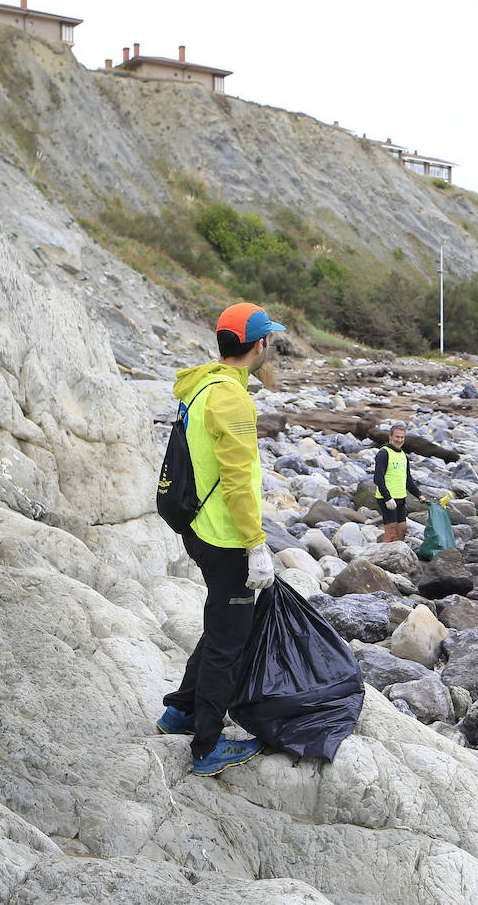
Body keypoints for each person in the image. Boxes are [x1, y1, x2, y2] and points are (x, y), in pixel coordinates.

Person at [157, 302, 286, 777]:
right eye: (268, 338)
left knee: (220, 625)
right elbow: (235, 478)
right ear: (258, 345)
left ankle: (181, 711)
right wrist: (256, 543)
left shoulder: (204, 385)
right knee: (229, 641)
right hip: (225, 537)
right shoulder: (232, 400)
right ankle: (206, 746)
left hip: (197, 526)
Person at [374, 424, 425, 543]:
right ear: (390, 437)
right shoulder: (383, 453)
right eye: (397, 437)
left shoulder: (403, 455)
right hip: (387, 498)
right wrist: (387, 497)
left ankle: (395, 553)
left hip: (401, 497)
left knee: (402, 530)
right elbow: (378, 478)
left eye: (402, 437)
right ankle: (381, 556)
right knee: (391, 532)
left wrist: (419, 495)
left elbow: (408, 479)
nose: (399, 440)